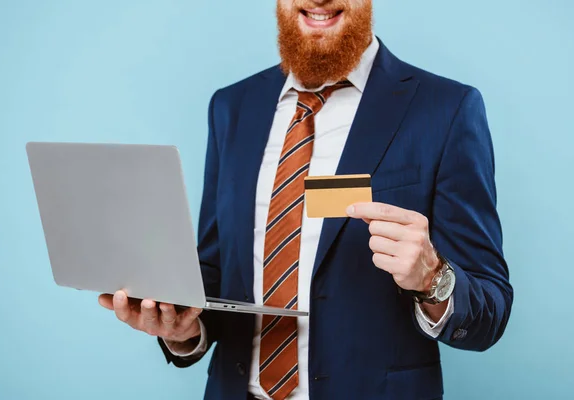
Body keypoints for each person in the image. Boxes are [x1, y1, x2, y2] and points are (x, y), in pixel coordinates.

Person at [99, 0, 513, 399]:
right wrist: (182, 326)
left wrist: (432, 277)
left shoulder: (446, 108)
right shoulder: (231, 106)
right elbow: (216, 269)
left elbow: (490, 312)